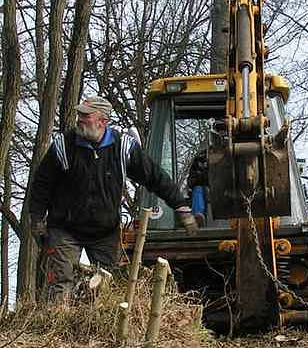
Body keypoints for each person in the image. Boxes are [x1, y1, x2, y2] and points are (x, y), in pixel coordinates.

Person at [29, 96, 197, 301]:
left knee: (109, 288)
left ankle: (101, 330)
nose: (80, 119)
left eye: (86, 115)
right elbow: (41, 184)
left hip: (104, 233)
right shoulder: (63, 146)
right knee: (61, 284)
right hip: (64, 230)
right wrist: (36, 218)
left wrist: (180, 206)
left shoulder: (123, 147)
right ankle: (57, 330)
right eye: (79, 114)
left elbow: (155, 177)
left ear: (103, 121)